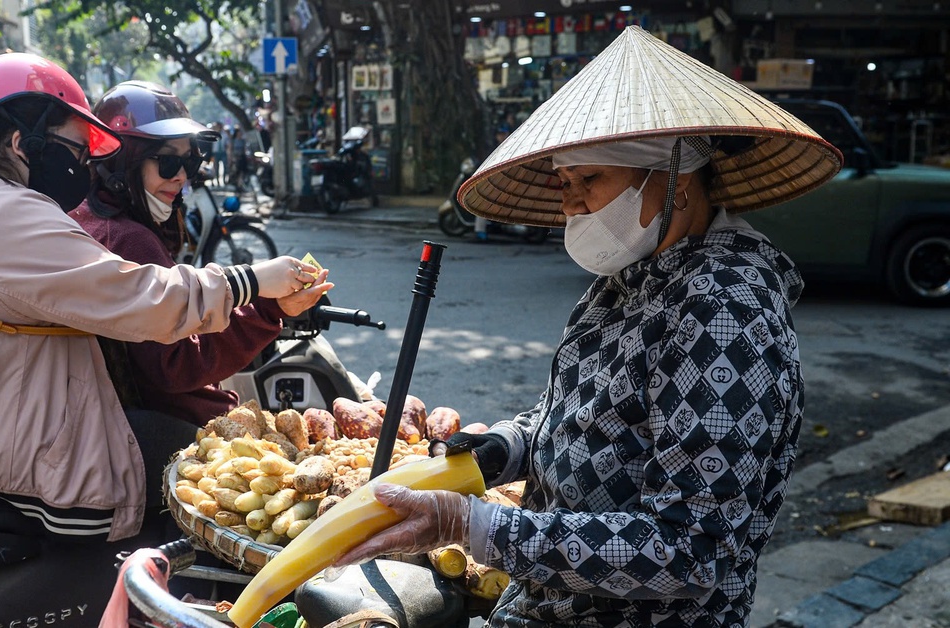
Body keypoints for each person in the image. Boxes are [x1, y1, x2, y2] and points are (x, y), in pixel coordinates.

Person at [332, 26, 843, 627]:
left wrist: (474, 526)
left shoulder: (726, 312)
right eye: (565, 185)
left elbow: (688, 551)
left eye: (590, 182)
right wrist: (505, 448)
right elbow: (578, 415)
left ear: (672, 176)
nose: (572, 205)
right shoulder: (627, 280)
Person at [0, 52, 320, 543]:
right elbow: (148, 300)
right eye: (76, 151)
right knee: (212, 461)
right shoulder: (3, 213)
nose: (81, 166)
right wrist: (255, 283)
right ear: (22, 144)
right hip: (19, 470)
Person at [69, 81, 332, 425]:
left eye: (189, 162)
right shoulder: (128, 239)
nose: (180, 177)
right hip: (179, 426)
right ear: (122, 161)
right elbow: (177, 364)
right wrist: (267, 307)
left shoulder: (91, 215)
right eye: (166, 163)